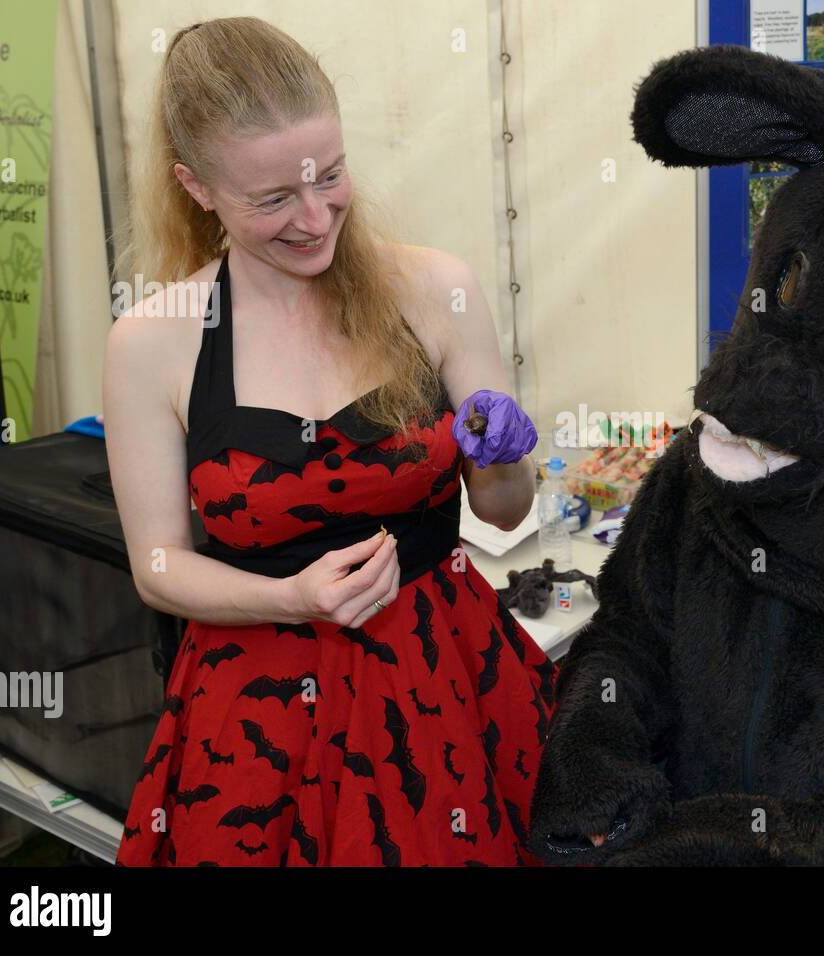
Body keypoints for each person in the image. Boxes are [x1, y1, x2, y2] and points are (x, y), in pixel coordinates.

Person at [104, 17, 554, 866]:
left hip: (442, 681)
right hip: (261, 709)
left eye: (331, 177)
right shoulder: (153, 343)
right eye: (272, 200)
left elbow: (501, 512)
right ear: (196, 188)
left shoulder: (435, 292)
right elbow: (156, 566)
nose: (315, 219)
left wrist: (500, 455)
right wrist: (291, 598)